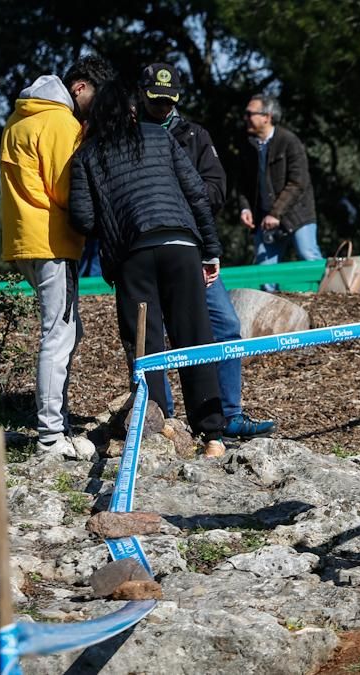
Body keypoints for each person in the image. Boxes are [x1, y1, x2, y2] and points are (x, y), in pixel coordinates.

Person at [68, 80, 227, 457]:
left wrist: (112, 220)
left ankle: (159, 431)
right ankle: (213, 436)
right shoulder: (160, 137)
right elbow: (196, 194)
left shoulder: (86, 156)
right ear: (133, 110)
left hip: (132, 255)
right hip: (181, 245)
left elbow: (82, 218)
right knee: (195, 338)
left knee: (146, 346)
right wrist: (211, 251)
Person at [138, 62, 276, 441]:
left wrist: (177, 198)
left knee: (226, 326)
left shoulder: (195, 136)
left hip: (194, 247)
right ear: (141, 95)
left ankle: (229, 413)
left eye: (168, 101)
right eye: (155, 101)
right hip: (146, 251)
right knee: (155, 335)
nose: (162, 108)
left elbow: (216, 191)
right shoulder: (128, 136)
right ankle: (161, 419)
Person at [0, 55, 113, 459]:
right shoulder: (60, 123)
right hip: (52, 242)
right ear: (79, 87)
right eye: (95, 100)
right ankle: (50, 435)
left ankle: (56, 423)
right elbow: (70, 190)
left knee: (67, 330)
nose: (95, 111)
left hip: (24, 239)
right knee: (58, 334)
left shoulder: (20, 118)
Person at [236, 94, 322, 291]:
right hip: (264, 219)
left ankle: (329, 305)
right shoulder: (248, 146)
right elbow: (242, 184)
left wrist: (276, 213)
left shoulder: (289, 141)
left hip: (297, 215)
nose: (246, 118)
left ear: (267, 116)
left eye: (250, 114)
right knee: (265, 271)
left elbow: (298, 182)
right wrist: (245, 209)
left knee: (308, 256)